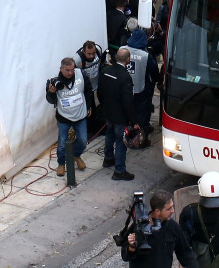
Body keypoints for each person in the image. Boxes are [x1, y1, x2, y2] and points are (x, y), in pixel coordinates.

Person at [47, 56, 94, 176]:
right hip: (64, 117)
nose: (70, 73)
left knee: (83, 141)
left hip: (80, 115)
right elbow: (50, 100)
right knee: (62, 143)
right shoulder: (54, 82)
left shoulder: (81, 74)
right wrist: (51, 93)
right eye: (67, 70)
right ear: (61, 69)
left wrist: (89, 106)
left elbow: (89, 90)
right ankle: (61, 163)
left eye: (72, 70)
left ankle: (76, 156)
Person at [97, 47, 138, 180]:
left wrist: (104, 107)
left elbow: (100, 92)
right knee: (121, 142)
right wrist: (133, 120)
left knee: (109, 134)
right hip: (120, 115)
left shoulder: (105, 71)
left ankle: (108, 158)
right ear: (128, 59)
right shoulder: (125, 77)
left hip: (108, 111)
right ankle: (119, 170)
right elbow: (128, 101)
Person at [126, 25, 160, 136]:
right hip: (142, 87)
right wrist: (157, 81)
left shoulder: (123, 49)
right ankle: (142, 131)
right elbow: (154, 70)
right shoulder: (145, 55)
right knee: (143, 110)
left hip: (126, 87)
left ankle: (129, 127)